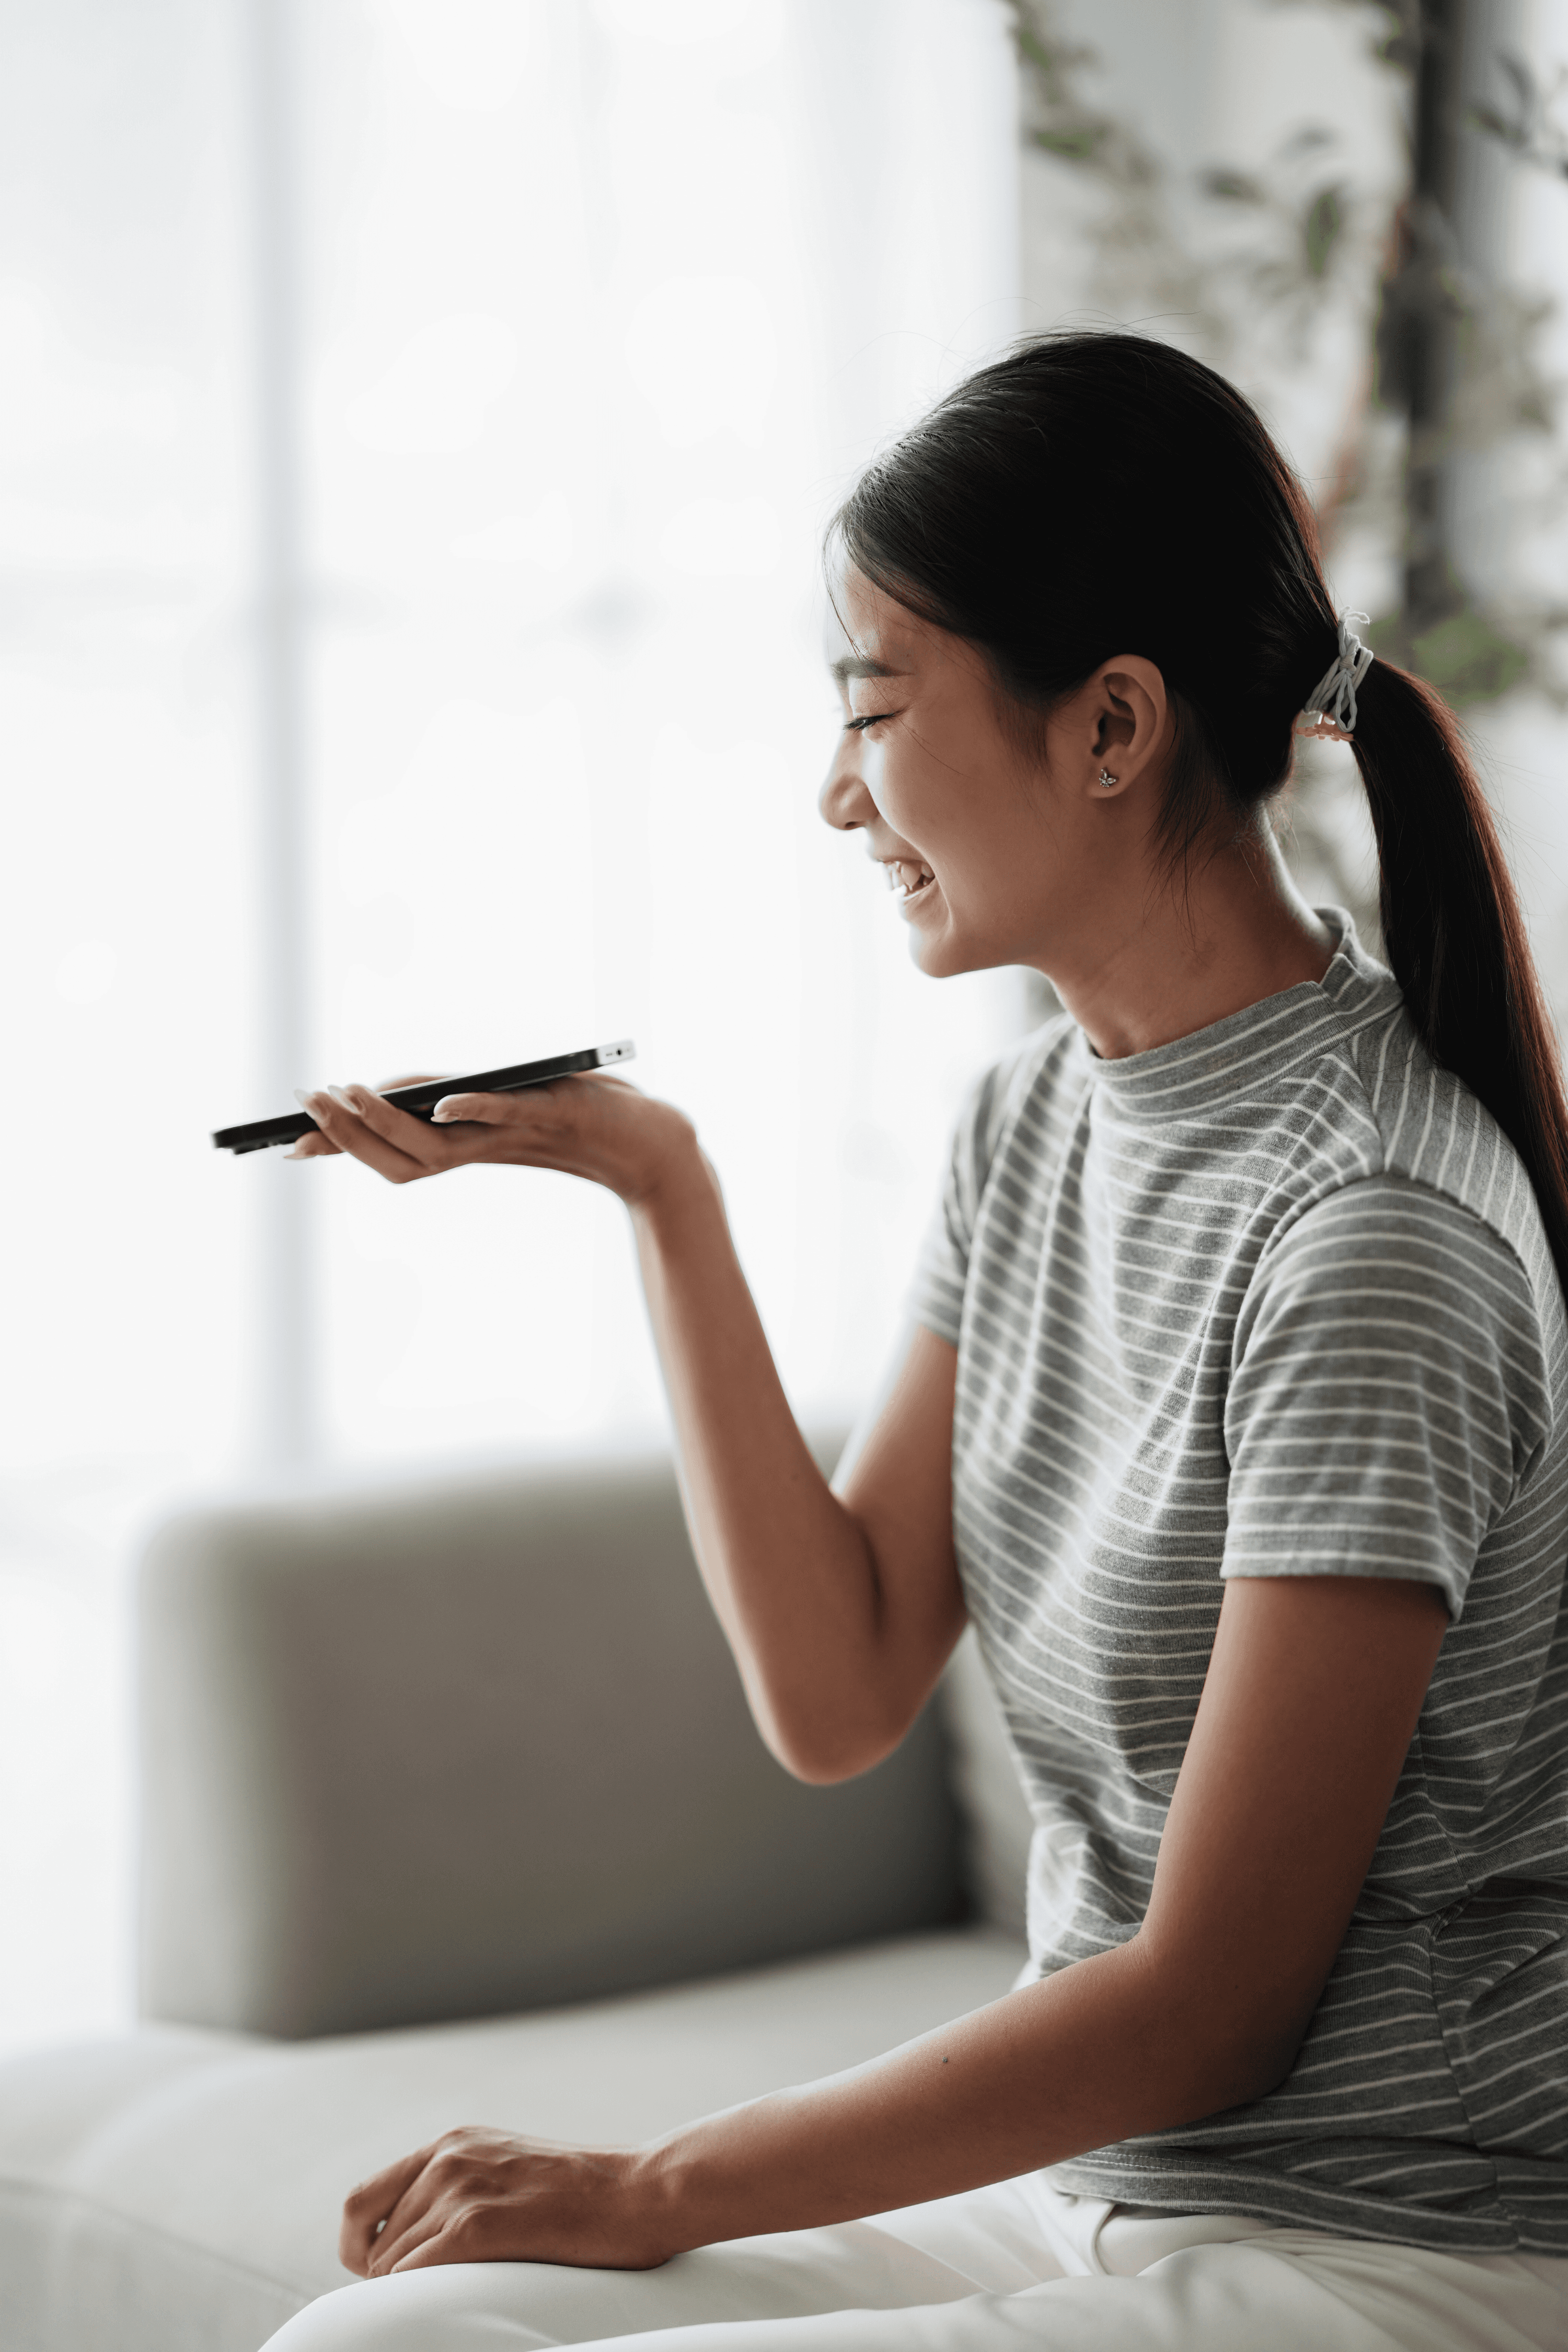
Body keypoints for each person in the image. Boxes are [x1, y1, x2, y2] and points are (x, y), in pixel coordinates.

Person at [259, 333, 1568, 2351]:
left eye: (875, 710)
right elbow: (842, 1683)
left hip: (1394, 2252)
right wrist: (661, 1192)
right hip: (1114, 2202)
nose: (838, 793)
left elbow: (1214, 2008)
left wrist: (653, 2180)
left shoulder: (1369, 1234)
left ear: (1114, 725)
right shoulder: (1035, 1117)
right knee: (382, 2335)